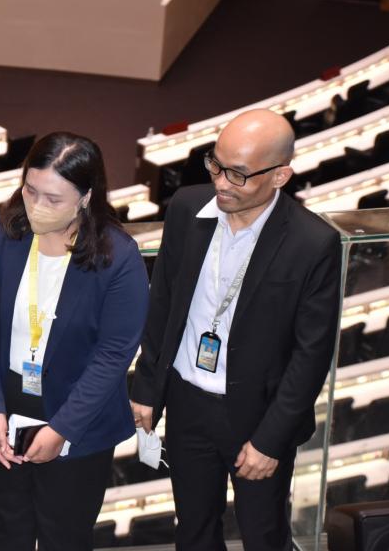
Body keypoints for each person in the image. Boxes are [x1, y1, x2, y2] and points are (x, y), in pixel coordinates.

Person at [130, 108, 342, 550]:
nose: (221, 182)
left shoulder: (312, 243)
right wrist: (147, 386)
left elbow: (311, 355)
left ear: (280, 176)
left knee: (264, 535)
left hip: (257, 415)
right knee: (193, 530)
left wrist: (270, 441)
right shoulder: (187, 207)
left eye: (238, 174)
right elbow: (163, 300)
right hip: (186, 401)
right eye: (216, 164)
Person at [0, 132, 149, 551]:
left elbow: (113, 355)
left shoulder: (118, 256)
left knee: (65, 538)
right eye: (30, 190)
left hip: (78, 419)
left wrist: (62, 429)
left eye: (53, 199)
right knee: (4, 535)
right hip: (6, 413)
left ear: (86, 198)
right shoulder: (1, 234)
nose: (36, 206)